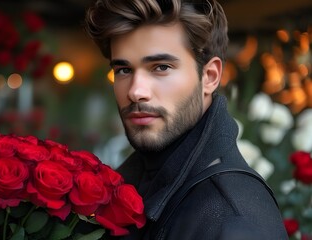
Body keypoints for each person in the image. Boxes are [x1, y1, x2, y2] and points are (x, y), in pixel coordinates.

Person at [84, 0, 288, 239]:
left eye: (161, 67)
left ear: (210, 77)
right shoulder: (134, 182)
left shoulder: (233, 217)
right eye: (124, 70)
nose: (136, 91)